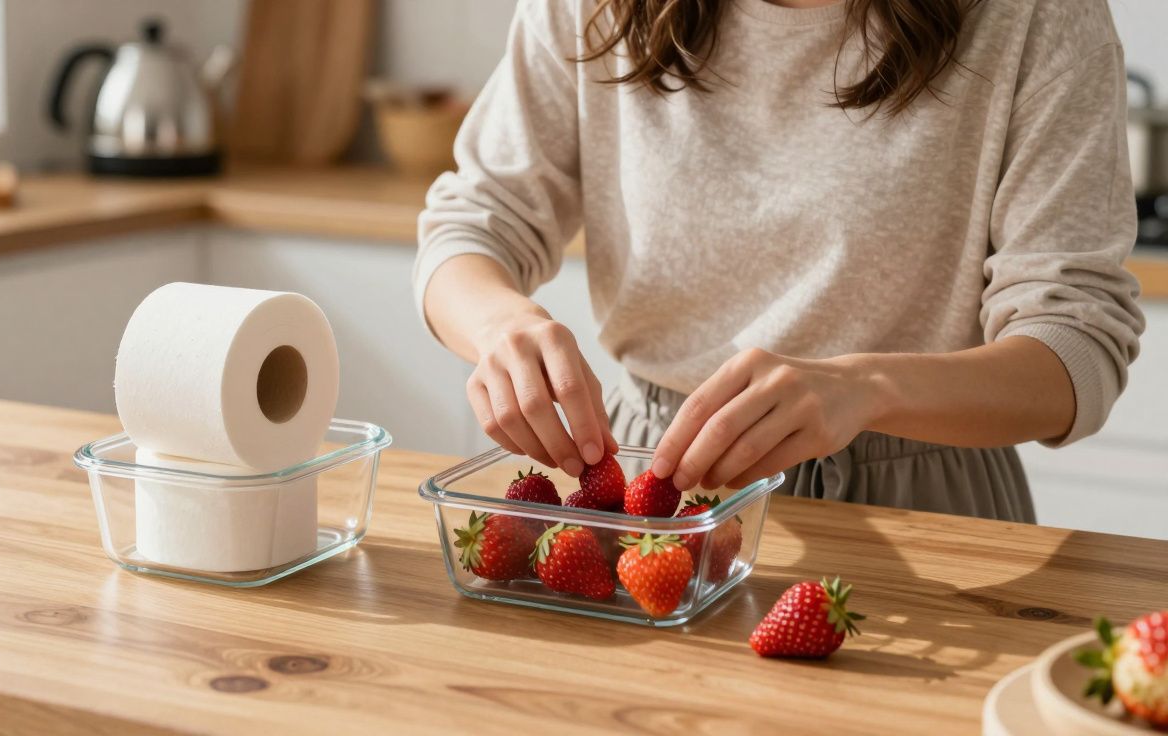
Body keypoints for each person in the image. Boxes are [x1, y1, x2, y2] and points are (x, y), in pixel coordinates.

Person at [412, 0, 1145, 521]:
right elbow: (473, 223)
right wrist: (500, 325)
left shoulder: (1039, 17)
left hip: (926, 495)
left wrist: (868, 387)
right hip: (658, 491)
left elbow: (1076, 348)